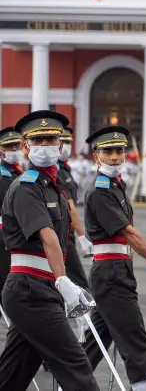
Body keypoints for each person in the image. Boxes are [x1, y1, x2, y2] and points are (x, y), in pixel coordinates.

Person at [0, 110, 99, 390]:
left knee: (15, 372)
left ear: (61, 144)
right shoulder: (26, 186)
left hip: (40, 289)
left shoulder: (51, 186)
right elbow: (48, 237)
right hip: (31, 289)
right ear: (25, 146)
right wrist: (64, 281)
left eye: (51, 139)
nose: (46, 146)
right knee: (77, 365)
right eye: (39, 140)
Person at [77, 125, 146, 391]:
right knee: (133, 332)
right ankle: (145, 385)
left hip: (117, 268)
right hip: (110, 272)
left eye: (119, 151)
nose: (115, 157)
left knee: (99, 335)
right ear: (96, 155)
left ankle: (70, 380)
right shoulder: (100, 190)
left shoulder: (115, 186)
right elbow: (127, 232)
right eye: (108, 151)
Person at [57, 127, 93, 287]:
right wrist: (82, 237)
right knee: (79, 281)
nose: (67, 146)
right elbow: (70, 208)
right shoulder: (56, 170)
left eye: (69, 142)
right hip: (61, 233)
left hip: (66, 232)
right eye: (63, 142)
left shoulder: (64, 168)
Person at [0, 127, 23, 291]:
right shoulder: (2, 175)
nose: (14, 149)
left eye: (16, 145)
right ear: (1, 150)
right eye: (9, 146)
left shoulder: (20, 172)